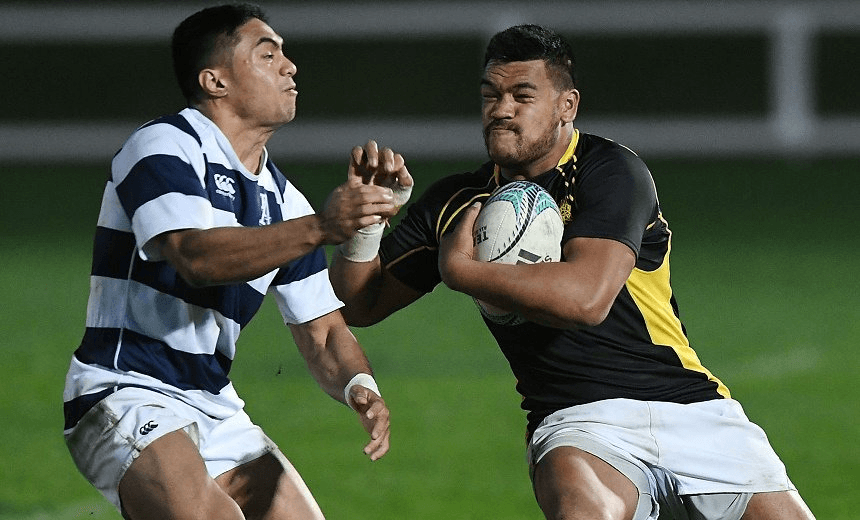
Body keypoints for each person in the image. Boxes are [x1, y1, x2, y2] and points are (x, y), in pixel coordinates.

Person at [329, 24, 815, 520]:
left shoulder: (609, 171)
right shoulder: (457, 202)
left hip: (692, 408)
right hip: (578, 421)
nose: (501, 109)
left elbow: (586, 300)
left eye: (522, 96)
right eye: (490, 95)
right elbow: (358, 305)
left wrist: (460, 271)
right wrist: (365, 227)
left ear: (567, 106)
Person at [62, 4, 404, 519]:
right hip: (124, 390)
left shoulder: (283, 200)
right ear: (215, 80)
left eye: (285, 54)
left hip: (213, 404)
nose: (289, 66)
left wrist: (362, 387)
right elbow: (194, 256)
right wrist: (322, 228)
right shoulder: (164, 145)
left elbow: (325, 333)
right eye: (267, 55)